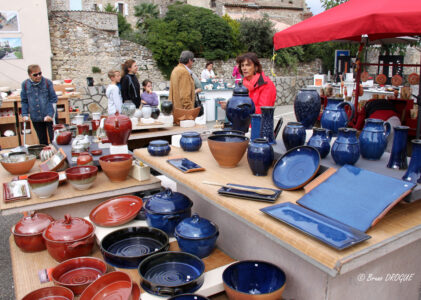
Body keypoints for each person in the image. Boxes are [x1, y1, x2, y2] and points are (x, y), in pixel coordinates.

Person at [21, 64, 57, 145]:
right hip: (36, 116)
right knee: (42, 140)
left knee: (53, 139)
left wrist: (50, 115)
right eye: (35, 75)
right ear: (30, 75)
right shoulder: (25, 84)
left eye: (40, 73)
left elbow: (53, 99)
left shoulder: (47, 82)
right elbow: (24, 101)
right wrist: (24, 114)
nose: (38, 76)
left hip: (49, 115)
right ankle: (45, 155)